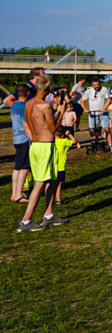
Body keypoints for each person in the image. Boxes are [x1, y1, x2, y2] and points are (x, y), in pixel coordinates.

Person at [17, 75, 67, 232]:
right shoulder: (44, 106)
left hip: (36, 145)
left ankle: (49, 214)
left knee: (54, 179)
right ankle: (25, 221)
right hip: (46, 146)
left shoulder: (28, 104)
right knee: (40, 183)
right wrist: (61, 111)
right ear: (50, 88)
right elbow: (53, 129)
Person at [9, 85, 31, 204]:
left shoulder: (14, 106)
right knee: (24, 168)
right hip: (24, 139)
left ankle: (15, 193)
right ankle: (18, 195)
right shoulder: (23, 107)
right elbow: (26, 125)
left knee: (17, 167)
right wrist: (32, 137)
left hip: (16, 138)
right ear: (27, 93)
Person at [82, 77, 112, 152]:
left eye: (98, 85)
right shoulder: (88, 91)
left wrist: (104, 108)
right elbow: (82, 101)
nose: (96, 86)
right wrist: (85, 109)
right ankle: (95, 142)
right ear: (92, 85)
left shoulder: (104, 89)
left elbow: (109, 99)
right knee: (93, 131)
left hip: (102, 113)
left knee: (107, 129)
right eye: (95, 85)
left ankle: (110, 145)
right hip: (93, 113)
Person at [53, 127, 81, 204]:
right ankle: (58, 199)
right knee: (58, 183)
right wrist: (69, 134)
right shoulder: (64, 141)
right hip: (60, 166)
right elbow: (74, 141)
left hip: (51, 165)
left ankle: (47, 200)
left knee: (48, 183)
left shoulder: (51, 142)